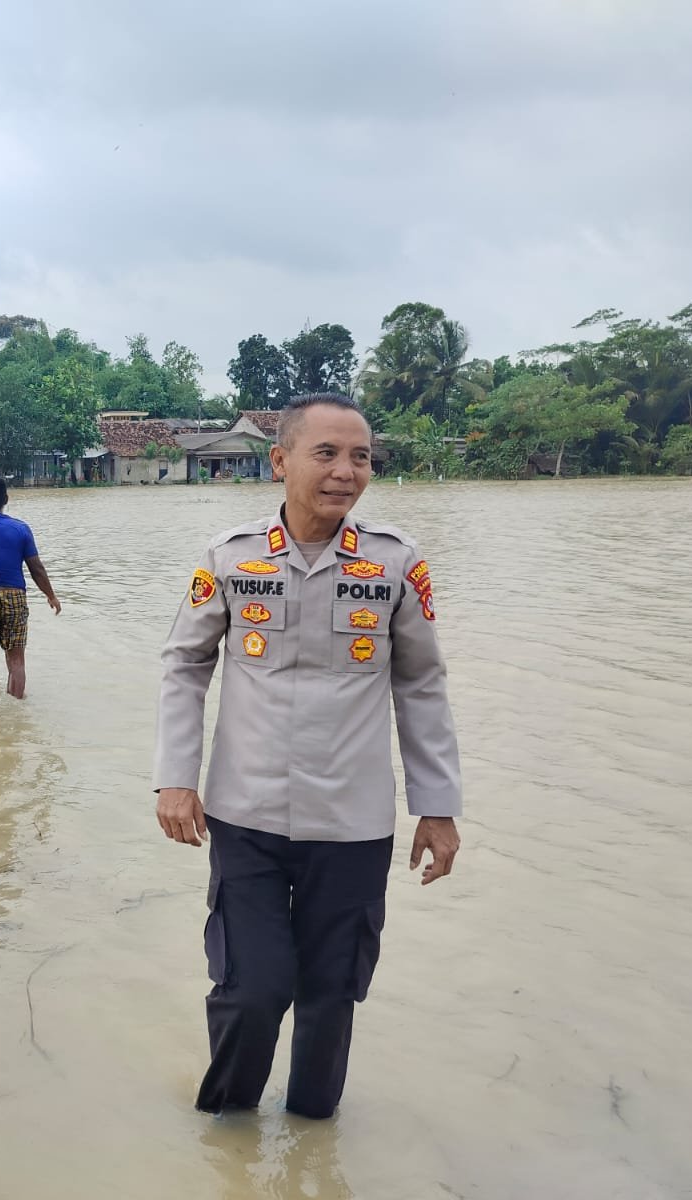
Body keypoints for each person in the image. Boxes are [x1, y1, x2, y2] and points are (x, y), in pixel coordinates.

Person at [153, 392, 462, 1119]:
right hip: (246, 813)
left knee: (332, 995)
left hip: (352, 823)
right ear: (280, 461)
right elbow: (184, 665)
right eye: (326, 453)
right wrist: (175, 779)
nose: (346, 471)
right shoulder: (231, 557)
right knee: (252, 988)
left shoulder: (395, 564)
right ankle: (227, 1130)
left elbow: (422, 683)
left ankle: (312, 1139)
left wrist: (438, 807)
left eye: (360, 456)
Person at [0, 475, 61, 698]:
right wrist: (51, 595)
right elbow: (36, 567)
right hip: (15, 596)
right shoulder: (21, 529)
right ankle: (16, 707)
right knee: (16, 661)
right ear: (6, 499)